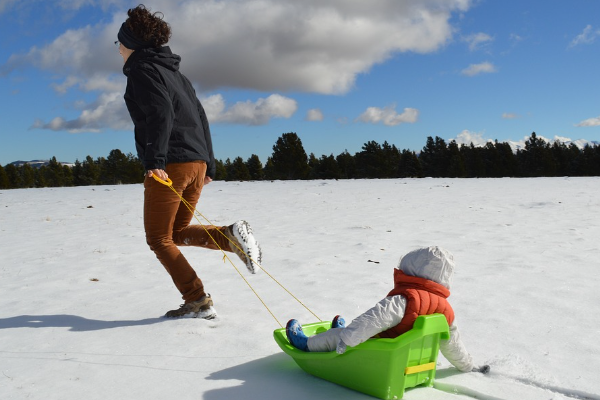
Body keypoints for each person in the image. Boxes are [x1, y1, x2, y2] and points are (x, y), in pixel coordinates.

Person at [117, 4, 261, 319]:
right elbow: (200, 116)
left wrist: (154, 159)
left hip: (170, 165)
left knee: (158, 239)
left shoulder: (142, 70)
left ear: (133, 44)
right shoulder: (176, 74)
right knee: (178, 232)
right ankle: (229, 236)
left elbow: (160, 113)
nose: (118, 50)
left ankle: (196, 299)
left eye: (121, 43)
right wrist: (208, 163)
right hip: (195, 163)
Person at [286, 246, 489, 373]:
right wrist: (467, 366)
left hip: (382, 355)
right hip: (410, 365)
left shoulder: (406, 299)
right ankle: (346, 331)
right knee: (353, 331)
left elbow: (373, 319)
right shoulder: (445, 310)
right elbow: (453, 344)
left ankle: (306, 344)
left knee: (338, 336)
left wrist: (347, 338)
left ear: (413, 271)